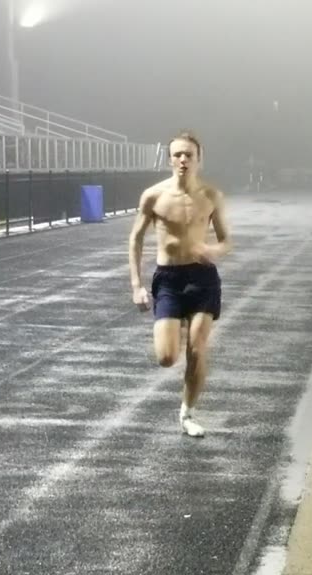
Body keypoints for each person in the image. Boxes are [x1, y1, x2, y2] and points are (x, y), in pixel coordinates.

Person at [127, 130, 232, 438]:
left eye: (189, 155)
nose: (183, 160)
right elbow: (135, 239)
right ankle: (173, 337)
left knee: (198, 349)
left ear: (199, 159)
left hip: (202, 278)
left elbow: (226, 241)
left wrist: (212, 250)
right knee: (167, 357)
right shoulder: (154, 196)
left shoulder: (211, 196)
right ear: (170, 159)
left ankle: (188, 412)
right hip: (169, 279)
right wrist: (137, 284)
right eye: (177, 155)